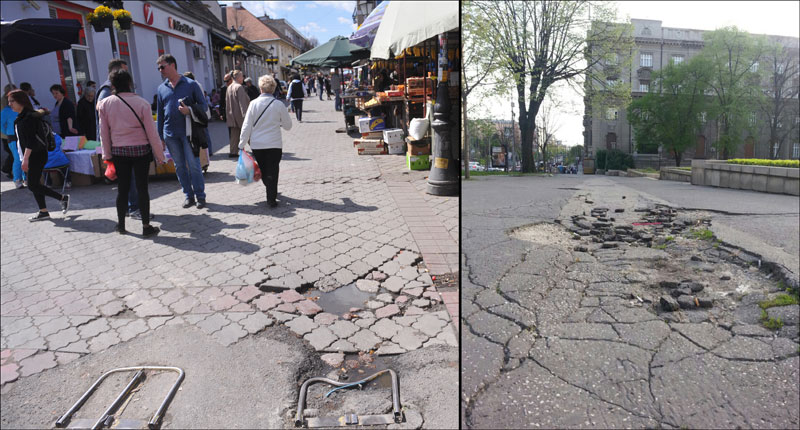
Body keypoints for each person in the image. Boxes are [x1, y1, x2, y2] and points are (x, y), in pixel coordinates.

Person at [98, 70, 165, 236]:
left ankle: (121, 225)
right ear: (129, 83)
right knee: (142, 188)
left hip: (119, 152)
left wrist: (106, 155)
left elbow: (104, 133)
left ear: (112, 85)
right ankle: (146, 226)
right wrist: (160, 156)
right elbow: (152, 132)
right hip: (141, 151)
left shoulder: (105, 104)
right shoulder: (142, 103)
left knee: (123, 189)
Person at [8, 89, 69, 221]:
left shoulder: (29, 117)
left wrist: (25, 159)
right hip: (32, 154)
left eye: (12, 101)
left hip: (36, 154)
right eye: (9, 102)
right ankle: (43, 211)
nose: (10, 104)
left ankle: (62, 198)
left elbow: (31, 140)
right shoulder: (21, 117)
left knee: (32, 184)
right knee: (34, 183)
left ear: (21, 100)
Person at [156, 54, 208, 209]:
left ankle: (200, 196)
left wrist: (189, 110)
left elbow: (204, 106)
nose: (160, 70)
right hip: (170, 134)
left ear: (172, 65)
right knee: (179, 166)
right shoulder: (161, 89)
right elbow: (160, 114)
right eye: (159, 68)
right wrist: (161, 137)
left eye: (162, 67)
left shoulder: (191, 84)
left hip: (188, 133)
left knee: (194, 165)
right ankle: (188, 195)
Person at [97, 58, 146, 220]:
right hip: (119, 144)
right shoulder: (107, 90)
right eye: (125, 70)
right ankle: (133, 208)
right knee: (130, 179)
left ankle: (127, 210)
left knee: (126, 179)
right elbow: (104, 120)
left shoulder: (111, 90)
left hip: (119, 143)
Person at [238, 75, 292, 208]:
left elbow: (246, 126)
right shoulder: (279, 105)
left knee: (263, 170)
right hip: (274, 144)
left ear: (261, 88)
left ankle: (270, 190)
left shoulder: (253, 104)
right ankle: (271, 197)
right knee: (273, 170)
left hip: (258, 145)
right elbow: (288, 126)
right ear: (273, 89)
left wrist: (241, 143)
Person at [2, 84, 25, 188]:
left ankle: (26, 178)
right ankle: (17, 180)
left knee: (25, 157)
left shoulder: (22, 108)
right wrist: (7, 132)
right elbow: (0, 124)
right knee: (18, 158)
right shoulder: (6, 111)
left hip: (23, 135)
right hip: (12, 137)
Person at [225, 69, 251, 159]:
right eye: (242, 76)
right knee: (248, 132)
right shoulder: (239, 87)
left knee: (234, 135)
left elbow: (227, 102)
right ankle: (257, 149)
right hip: (240, 115)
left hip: (232, 115)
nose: (243, 77)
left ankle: (233, 152)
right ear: (238, 77)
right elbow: (242, 103)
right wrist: (246, 116)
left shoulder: (229, 87)